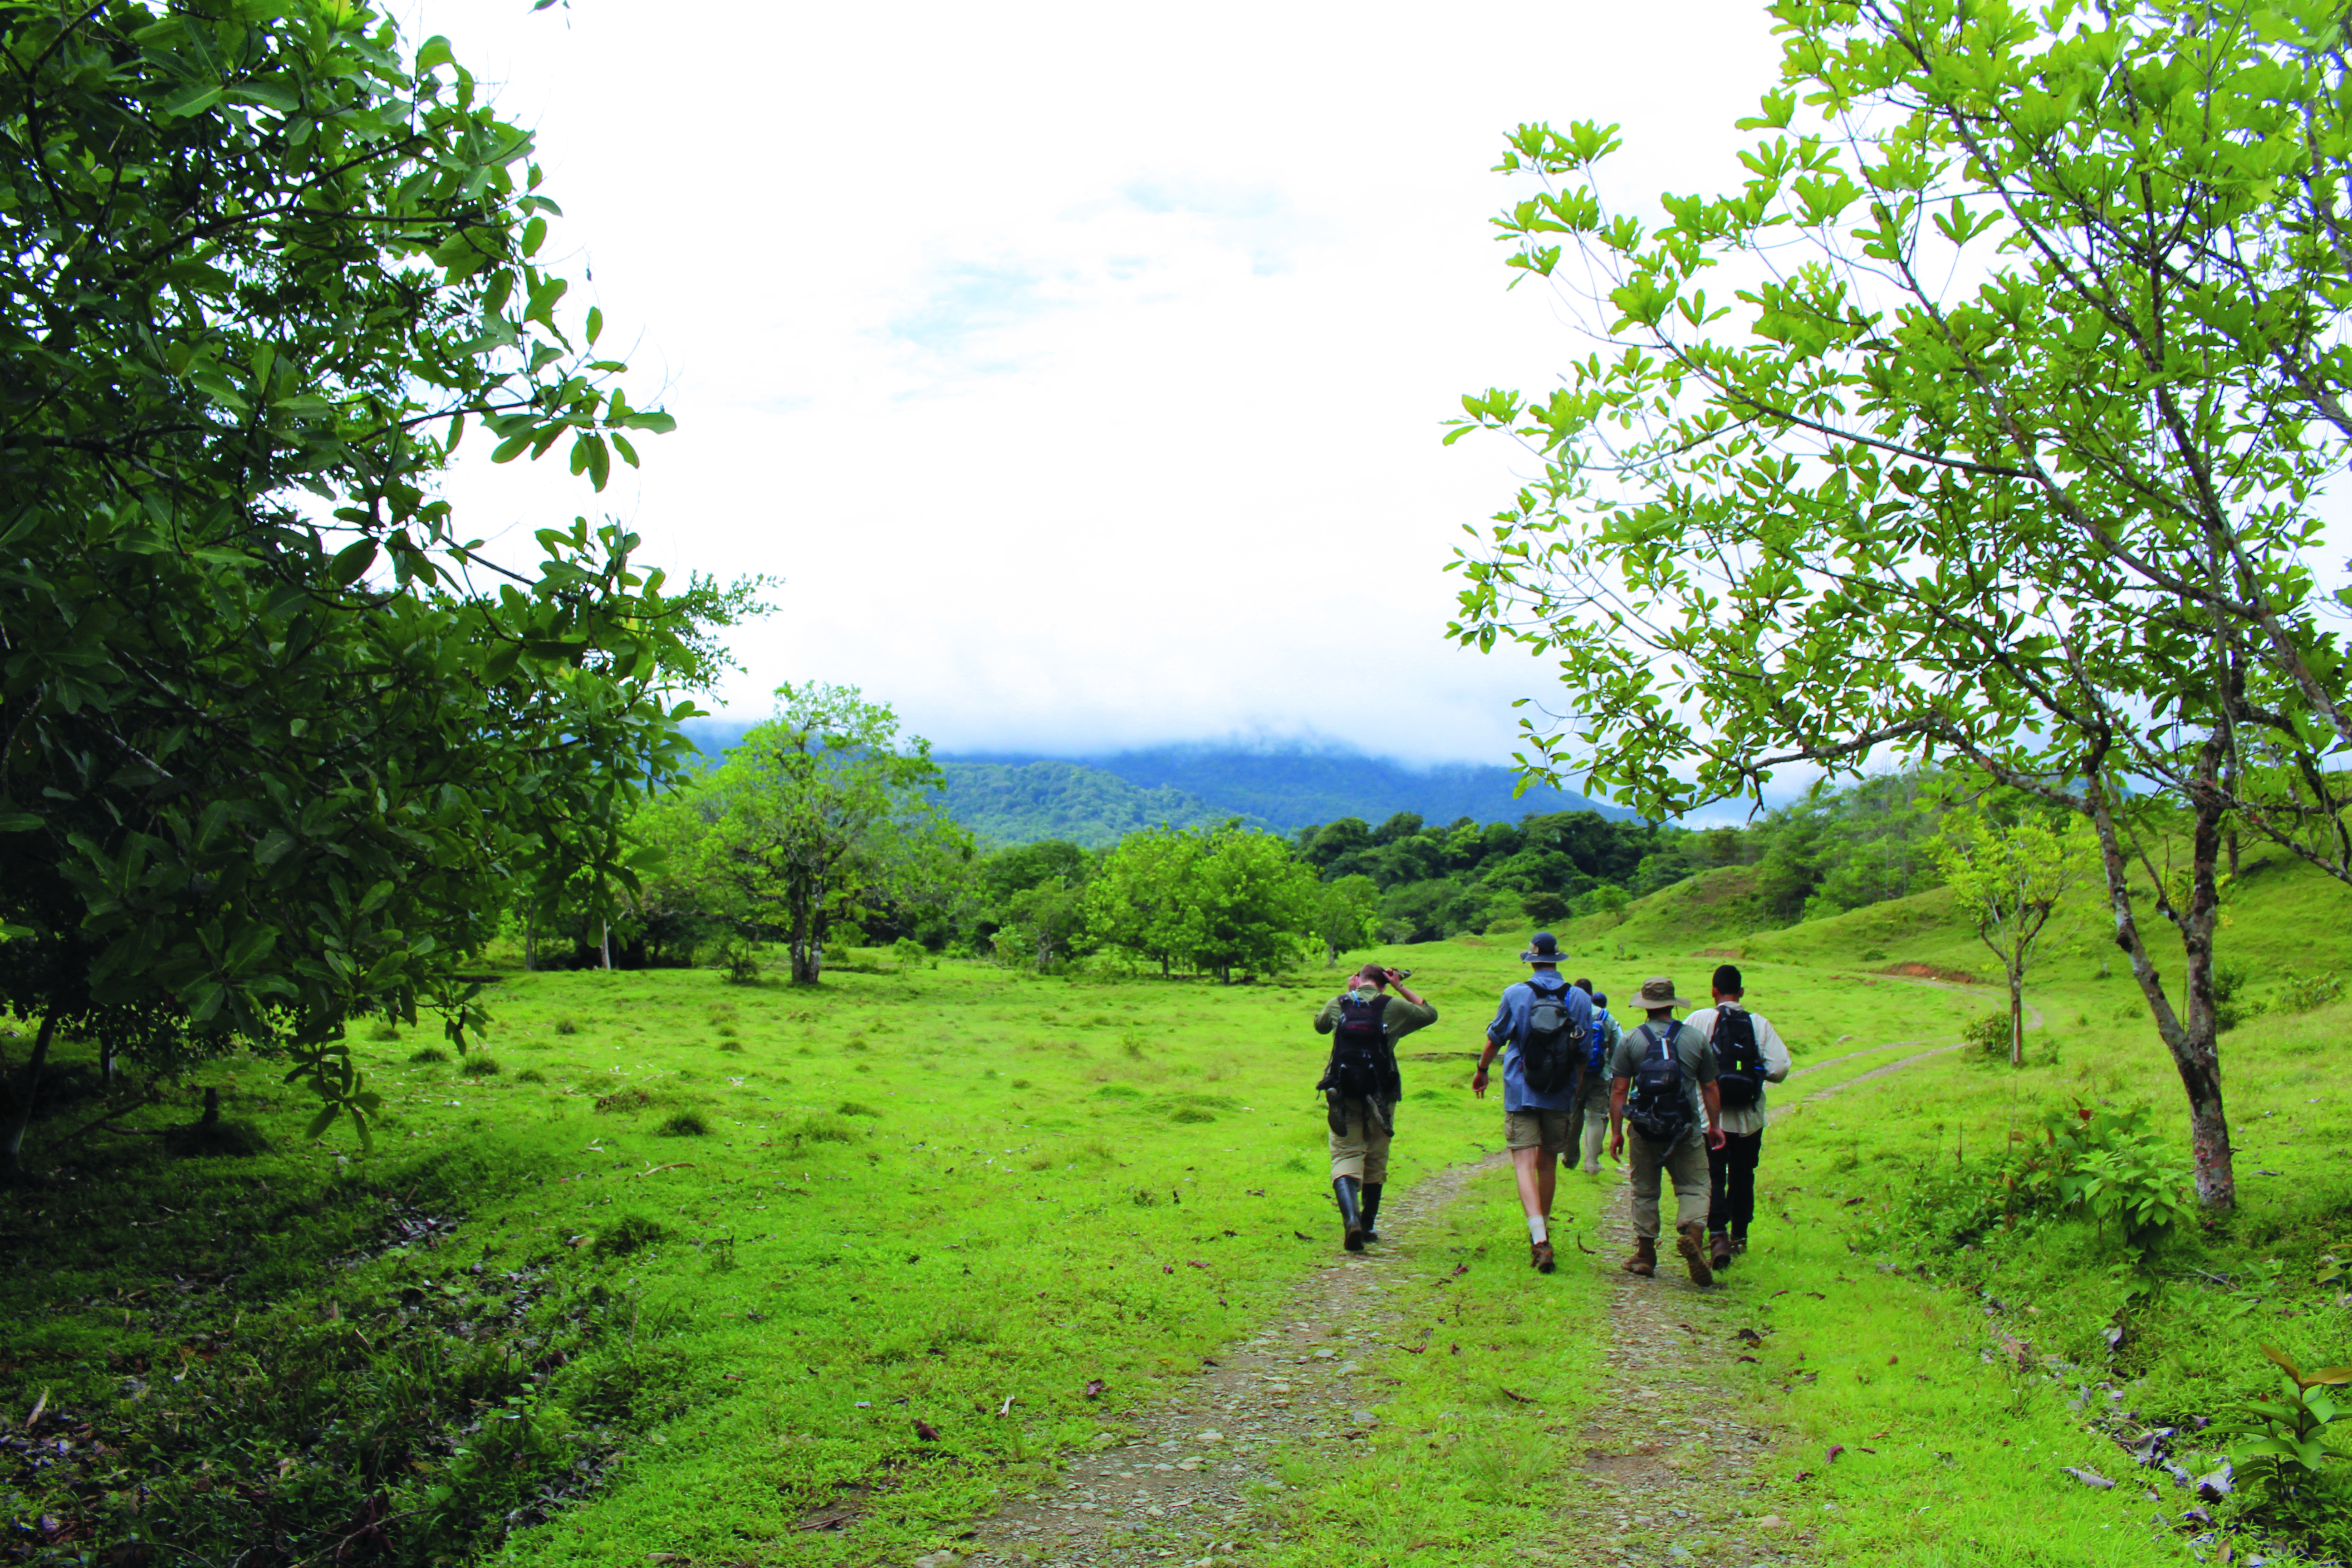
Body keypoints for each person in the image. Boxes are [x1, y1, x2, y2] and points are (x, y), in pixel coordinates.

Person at [1473, 932, 1594, 1274]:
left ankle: (1539, 1238)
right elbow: (1585, 1052)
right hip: (1559, 1091)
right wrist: (1576, 1086)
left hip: (1520, 1088)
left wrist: (1482, 1071)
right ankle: (1543, 1231)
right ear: (1557, 959)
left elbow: (1495, 1038)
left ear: (1531, 959)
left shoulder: (1516, 993)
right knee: (1548, 1162)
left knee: (1523, 1163)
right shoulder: (1581, 999)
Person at [1607, 975, 1725, 1285]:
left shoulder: (1631, 1040)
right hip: (1685, 1128)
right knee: (1696, 1186)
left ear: (1645, 1006)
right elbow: (1710, 1085)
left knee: (1645, 1190)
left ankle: (1646, 1255)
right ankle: (1694, 1236)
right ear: (1673, 1004)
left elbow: (1619, 1090)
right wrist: (1715, 1126)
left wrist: (1617, 1132)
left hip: (1644, 1128)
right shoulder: (1695, 1039)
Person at [1313, 962, 1436, 1251]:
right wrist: (1400, 987)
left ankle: (1351, 1220)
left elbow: (1320, 1026)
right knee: (1376, 1155)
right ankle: (1367, 1224)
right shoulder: (1391, 1006)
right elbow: (1430, 1014)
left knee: (1345, 1153)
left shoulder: (1339, 1003)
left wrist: (1348, 993)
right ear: (1384, 982)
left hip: (1343, 1089)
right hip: (1382, 1091)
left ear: (1359, 979)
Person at [1683, 963, 1790, 1270]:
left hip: (1710, 1117)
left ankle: (1717, 1236)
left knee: (1714, 1175)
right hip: (1749, 1119)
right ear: (1742, 992)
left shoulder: (1699, 1019)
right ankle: (1740, 1235)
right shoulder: (1759, 1024)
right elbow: (1781, 1067)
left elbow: (1681, 1058)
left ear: (1713, 990)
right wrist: (1759, 1074)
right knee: (1744, 1174)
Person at [1571, 979, 1622, 1176]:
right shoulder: (1606, 1016)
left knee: (1574, 1113)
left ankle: (1570, 1156)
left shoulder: (1571, 1012)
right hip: (1601, 1074)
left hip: (1576, 1074)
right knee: (1595, 1118)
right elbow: (1617, 1048)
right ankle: (1591, 1163)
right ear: (1591, 994)